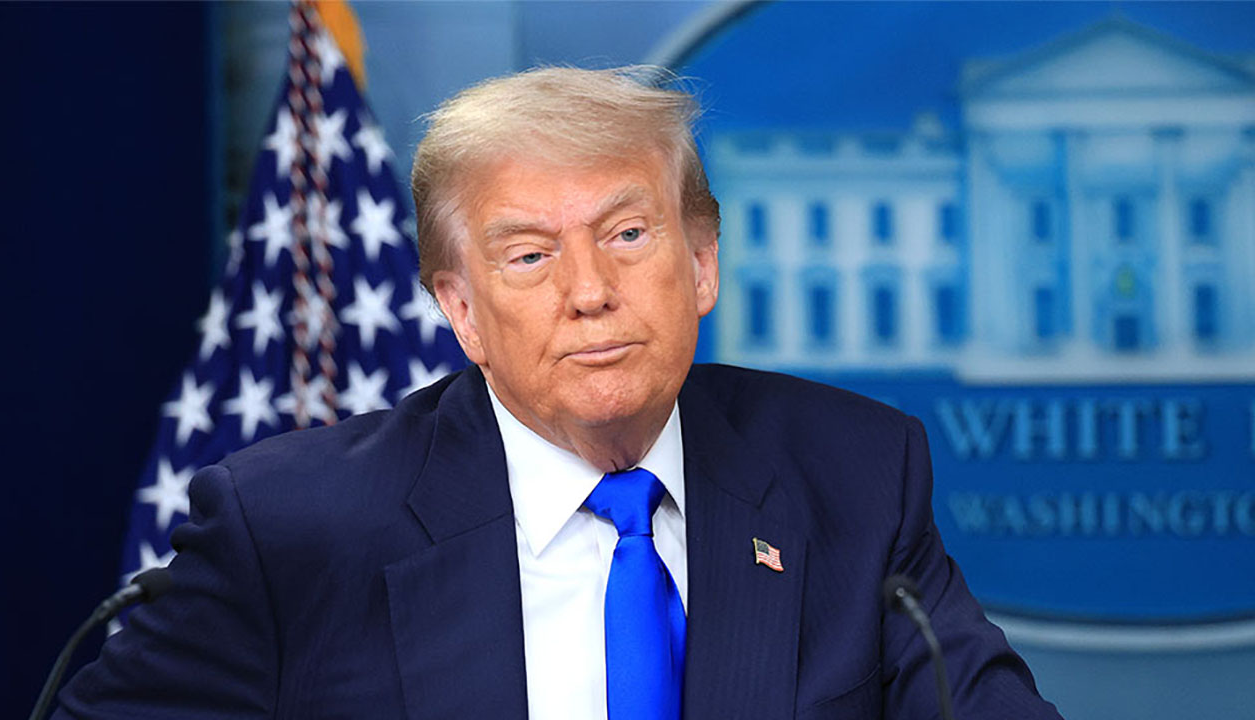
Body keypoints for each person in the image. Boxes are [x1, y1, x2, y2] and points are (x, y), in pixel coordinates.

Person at [56, 66, 1061, 720]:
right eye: (529, 256)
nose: (589, 293)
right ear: (460, 308)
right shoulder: (291, 528)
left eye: (627, 236)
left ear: (701, 264)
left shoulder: (851, 475)